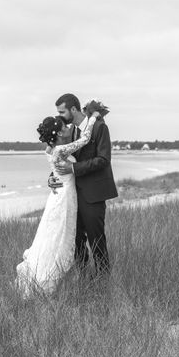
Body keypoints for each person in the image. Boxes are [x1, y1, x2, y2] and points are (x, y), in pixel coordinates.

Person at [14, 109, 101, 297]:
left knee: (54, 233)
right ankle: (49, 275)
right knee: (60, 234)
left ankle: (59, 273)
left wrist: (52, 178)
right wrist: (93, 118)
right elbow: (85, 138)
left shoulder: (50, 149)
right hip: (64, 196)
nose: (69, 126)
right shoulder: (61, 149)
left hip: (58, 193)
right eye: (65, 126)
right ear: (60, 133)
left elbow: (54, 169)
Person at [52, 94, 118, 276]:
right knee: (76, 239)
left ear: (73, 109)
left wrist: (73, 168)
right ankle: (83, 277)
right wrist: (54, 177)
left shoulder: (99, 127)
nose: (60, 115)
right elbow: (62, 159)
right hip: (73, 195)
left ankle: (104, 278)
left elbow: (103, 160)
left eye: (62, 111)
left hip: (93, 193)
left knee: (96, 239)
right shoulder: (69, 131)